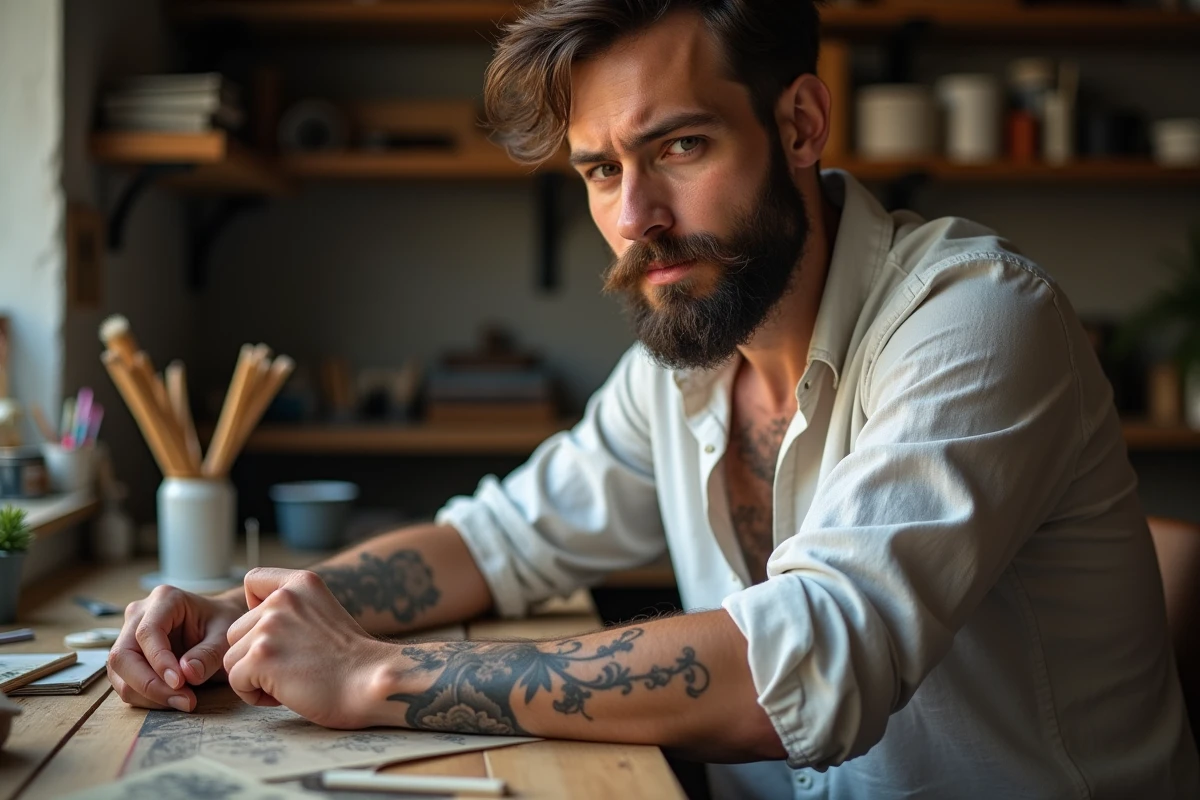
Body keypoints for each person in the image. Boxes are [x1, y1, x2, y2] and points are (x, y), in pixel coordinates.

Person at [108, 1, 1198, 797]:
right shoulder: (686, 359)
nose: (638, 217)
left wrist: (376, 674)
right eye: (599, 171)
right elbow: (500, 539)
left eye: (679, 146)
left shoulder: (975, 321)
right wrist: (242, 620)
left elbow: (812, 661)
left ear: (802, 124)